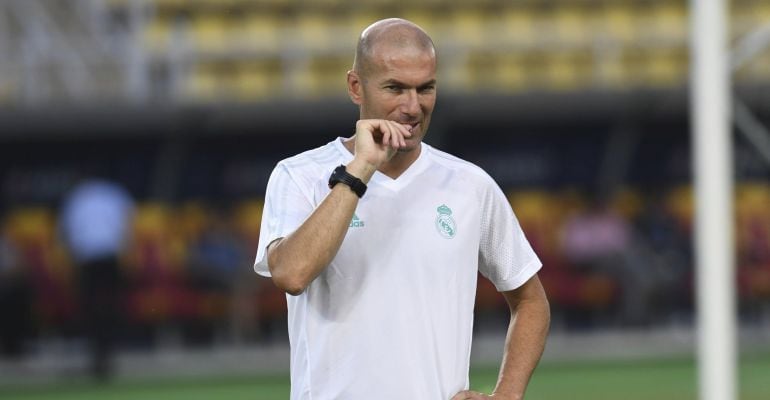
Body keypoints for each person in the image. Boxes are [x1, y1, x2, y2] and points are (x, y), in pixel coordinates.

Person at [254, 18, 550, 400]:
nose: (413, 107)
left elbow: (530, 299)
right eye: (395, 88)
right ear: (355, 87)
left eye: (425, 88)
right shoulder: (299, 175)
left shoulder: (469, 185)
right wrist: (361, 169)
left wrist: (507, 394)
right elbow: (291, 274)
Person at [60, 178, 135, 381]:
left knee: (94, 308)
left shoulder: (77, 197)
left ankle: (101, 357)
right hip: (108, 258)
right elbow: (127, 227)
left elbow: (67, 232)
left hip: (89, 260)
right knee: (106, 308)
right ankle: (103, 357)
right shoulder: (114, 192)